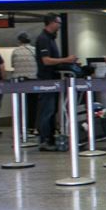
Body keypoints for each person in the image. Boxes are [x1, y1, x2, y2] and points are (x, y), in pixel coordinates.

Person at [35, 14, 78, 151]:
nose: (60, 25)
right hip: (46, 80)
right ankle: (44, 140)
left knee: (51, 111)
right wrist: (66, 60)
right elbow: (46, 60)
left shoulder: (51, 39)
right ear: (51, 23)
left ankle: (50, 138)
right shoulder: (43, 39)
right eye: (58, 23)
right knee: (46, 111)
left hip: (53, 79)